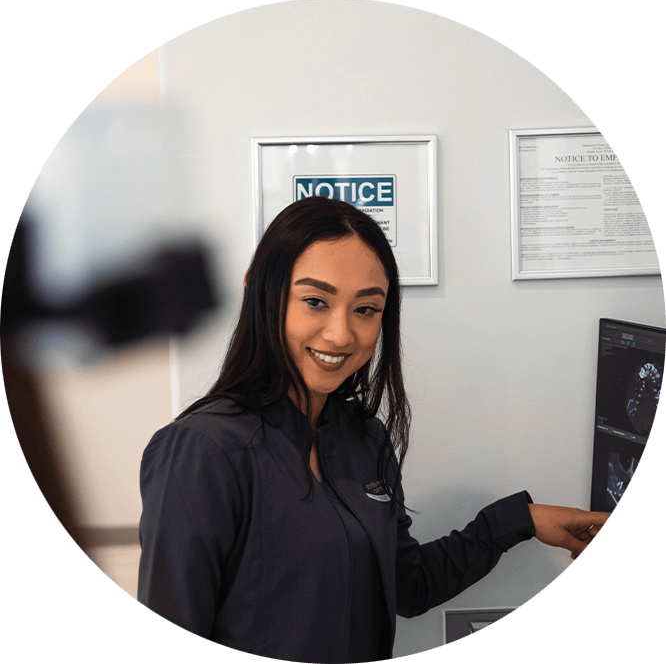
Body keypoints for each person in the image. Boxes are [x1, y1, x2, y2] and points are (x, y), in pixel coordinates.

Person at [138, 196, 609, 662]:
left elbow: (408, 585)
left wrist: (518, 522)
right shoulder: (202, 451)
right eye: (315, 301)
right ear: (260, 292)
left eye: (365, 309)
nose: (341, 334)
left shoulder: (364, 439)